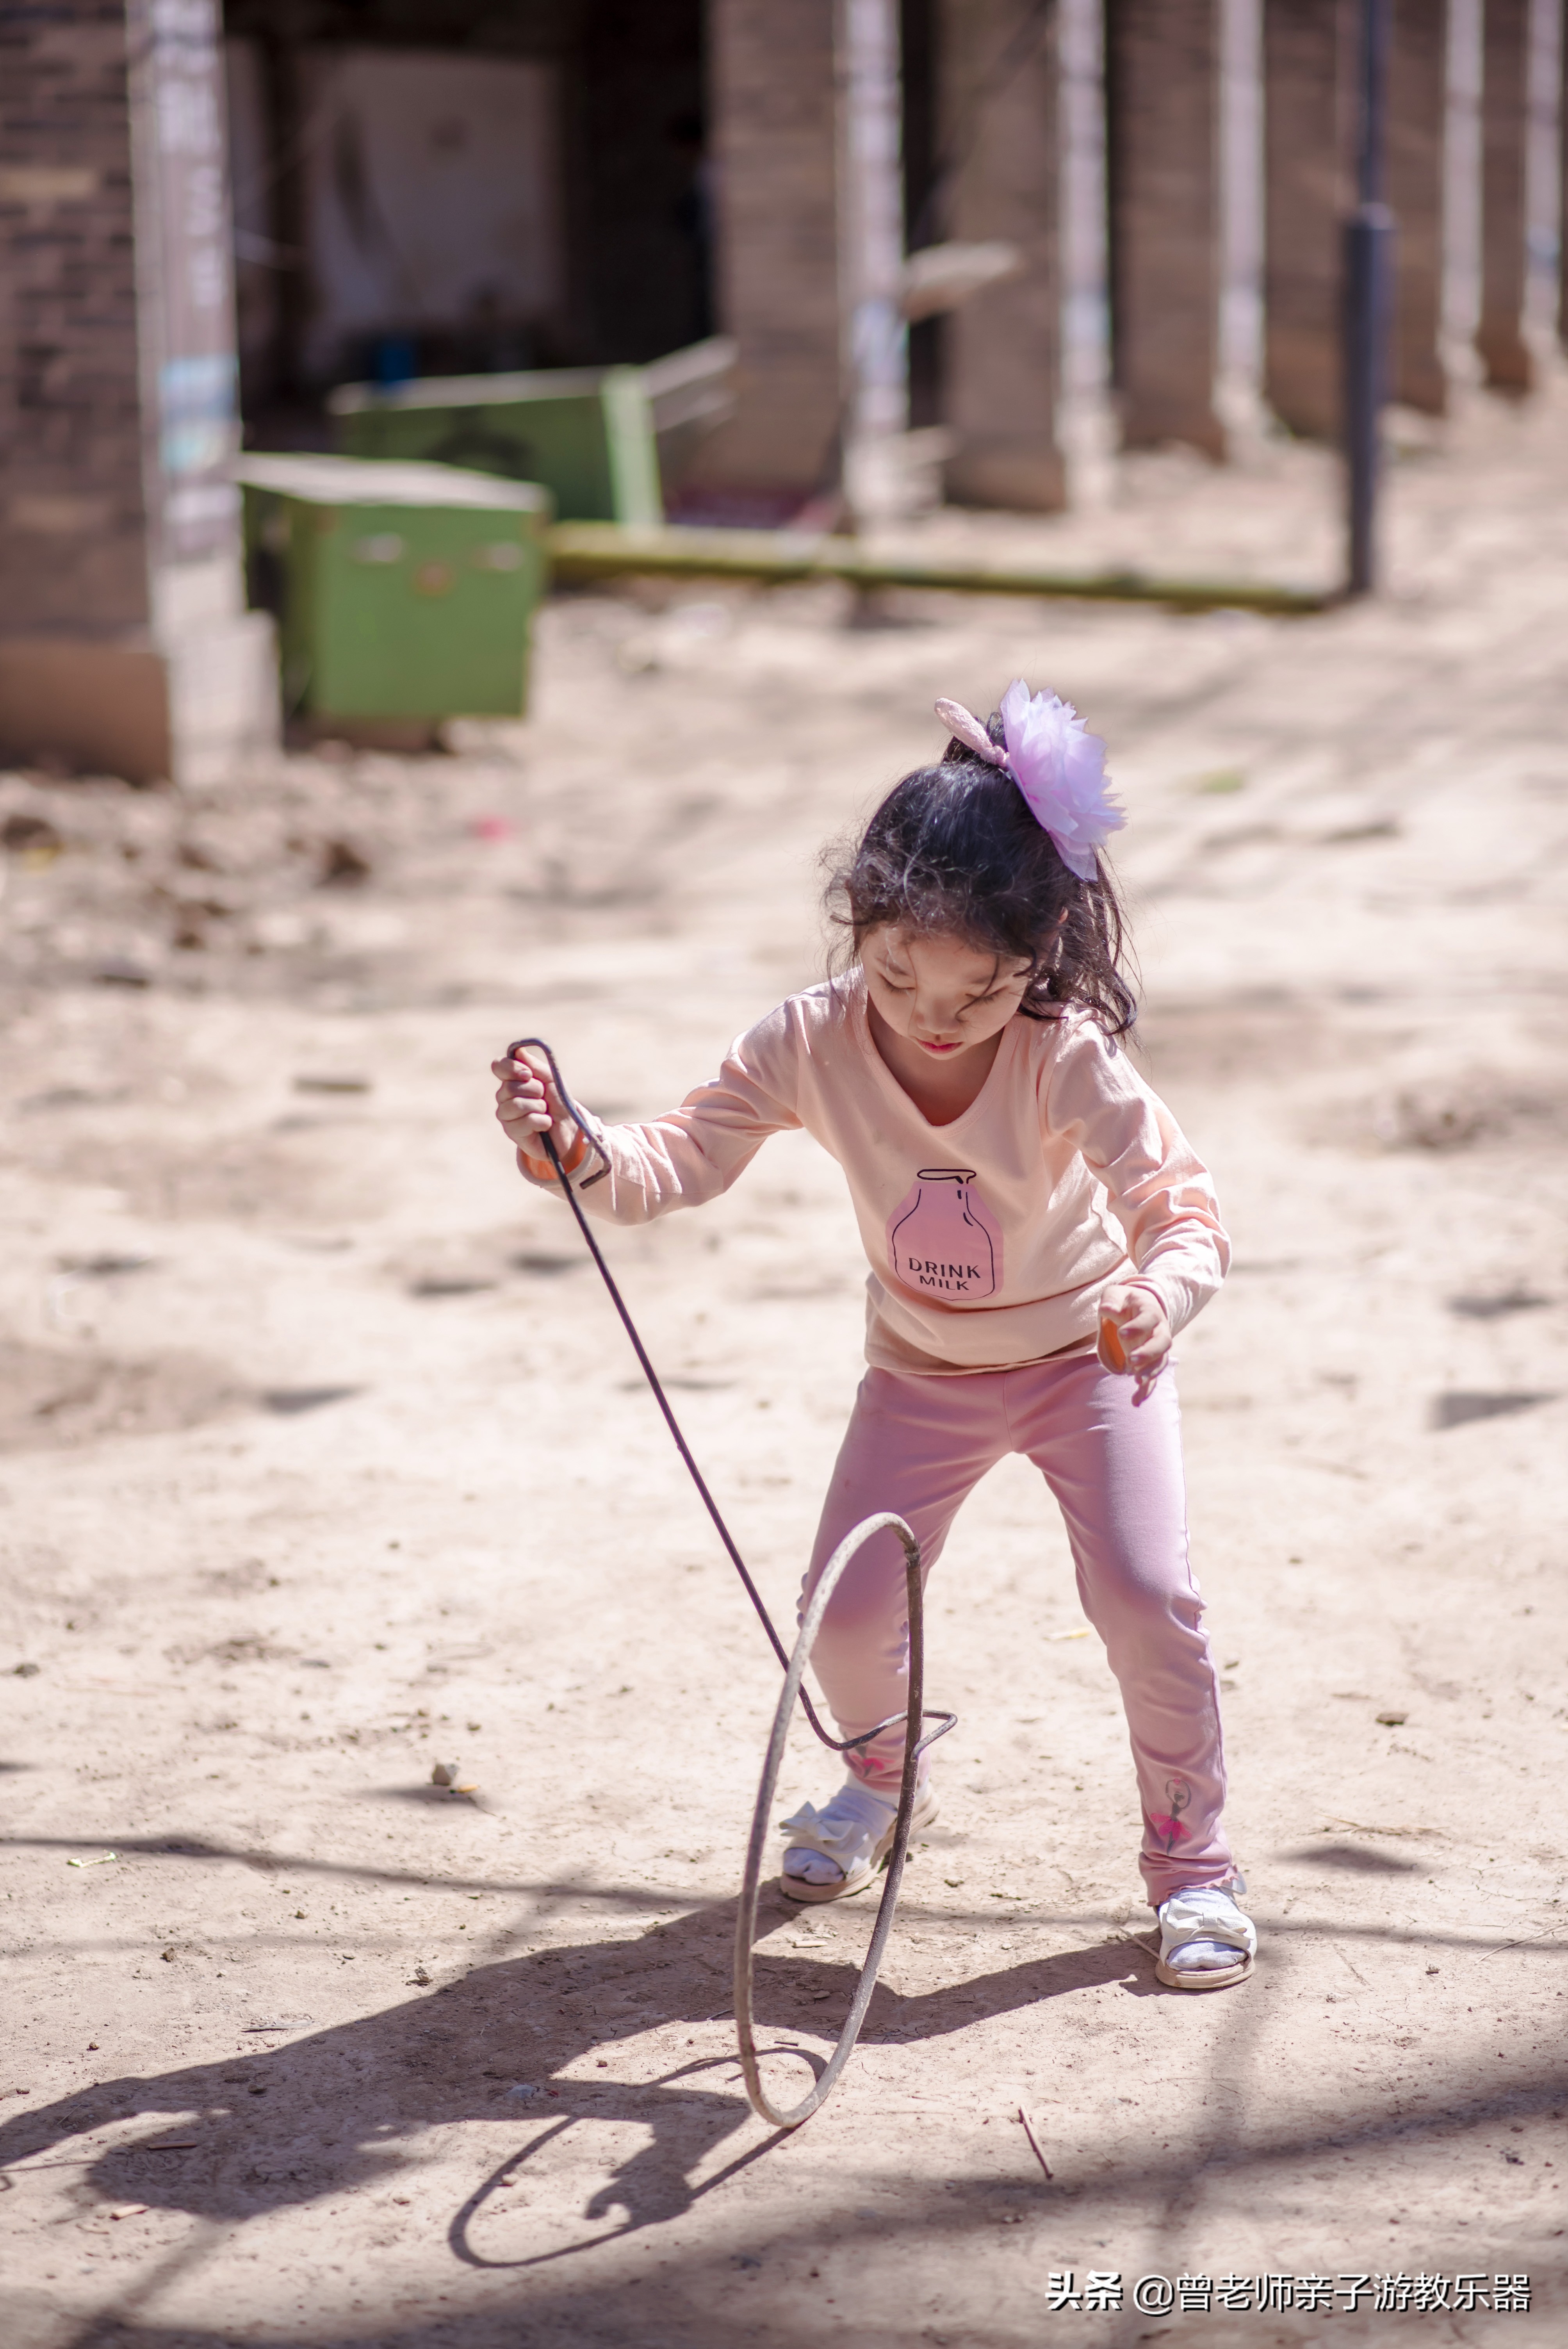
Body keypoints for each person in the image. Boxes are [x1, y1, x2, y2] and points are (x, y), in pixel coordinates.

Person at [492, 683, 1256, 1992]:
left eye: (982, 984)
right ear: (859, 925)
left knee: (1142, 1598)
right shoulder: (810, 1038)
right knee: (842, 1624)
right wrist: (574, 1144)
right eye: (899, 970)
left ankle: (1195, 1867)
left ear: (1045, 956)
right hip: (921, 1373)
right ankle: (879, 1780)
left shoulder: (1063, 1056)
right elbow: (670, 1161)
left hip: (1090, 1364)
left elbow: (1181, 1209)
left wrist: (1157, 1295)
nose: (934, 1012)